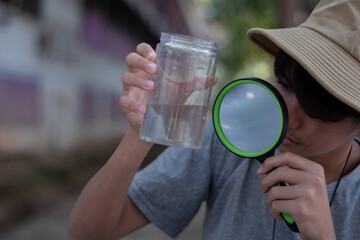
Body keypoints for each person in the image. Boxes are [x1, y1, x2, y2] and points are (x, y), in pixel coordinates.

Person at [69, 0, 360, 239]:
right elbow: (88, 232)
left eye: (318, 108)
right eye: (285, 85)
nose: (290, 116)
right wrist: (141, 130)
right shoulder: (229, 136)